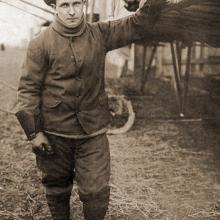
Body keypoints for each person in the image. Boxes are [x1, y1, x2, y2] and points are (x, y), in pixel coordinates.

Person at [15, 0, 168, 219]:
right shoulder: (40, 44)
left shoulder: (101, 33)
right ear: (54, 7)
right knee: (57, 187)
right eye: (65, 5)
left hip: (92, 132)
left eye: (76, 3)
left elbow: (136, 24)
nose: (71, 11)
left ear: (84, 4)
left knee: (96, 191)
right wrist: (34, 132)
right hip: (54, 133)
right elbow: (28, 90)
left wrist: (154, 3)